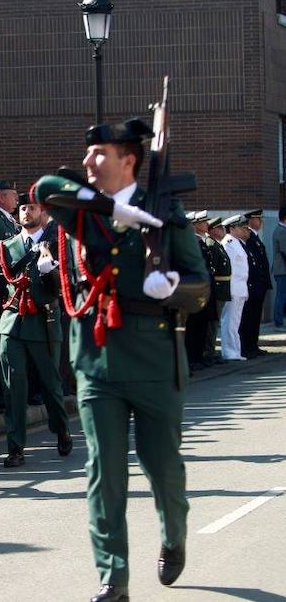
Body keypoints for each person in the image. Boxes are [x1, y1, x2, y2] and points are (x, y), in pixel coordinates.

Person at [32, 117, 209, 602]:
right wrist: (113, 208)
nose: (88, 162)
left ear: (128, 160)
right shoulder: (85, 213)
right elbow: (46, 186)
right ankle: (114, 576)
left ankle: (173, 536)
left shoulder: (167, 215)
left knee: (162, 467)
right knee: (103, 472)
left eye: (100, 155)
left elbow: (201, 288)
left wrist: (171, 288)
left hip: (153, 361)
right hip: (97, 363)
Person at [0, 192, 71, 467]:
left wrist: (50, 271)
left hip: (44, 321)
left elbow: (64, 286)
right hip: (12, 322)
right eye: (23, 208)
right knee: (14, 387)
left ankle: (61, 428)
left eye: (32, 208)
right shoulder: (7, 246)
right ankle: (16, 447)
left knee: (50, 383)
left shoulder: (57, 243)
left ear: (43, 212)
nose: (26, 212)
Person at [184, 211, 215, 372]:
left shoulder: (200, 241)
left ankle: (198, 356)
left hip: (203, 288)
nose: (206, 225)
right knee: (192, 326)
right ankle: (191, 358)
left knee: (201, 324)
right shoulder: (191, 242)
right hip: (193, 290)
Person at [240, 210, 272, 357]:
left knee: (255, 316)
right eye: (258, 219)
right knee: (249, 317)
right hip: (253, 285)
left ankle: (253, 345)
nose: (261, 221)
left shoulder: (255, 237)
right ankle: (248, 346)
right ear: (251, 221)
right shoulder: (249, 238)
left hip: (260, 284)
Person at [220, 214, 251, 361]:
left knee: (235, 322)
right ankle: (229, 352)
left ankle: (235, 351)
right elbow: (228, 268)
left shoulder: (237, 243)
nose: (243, 229)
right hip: (233, 288)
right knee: (229, 322)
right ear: (231, 228)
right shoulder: (229, 243)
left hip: (240, 288)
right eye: (240, 227)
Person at [204, 217, 231, 363]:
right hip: (217, 288)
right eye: (219, 228)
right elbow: (212, 270)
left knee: (215, 322)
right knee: (212, 322)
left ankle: (211, 349)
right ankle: (208, 351)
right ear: (212, 230)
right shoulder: (211, 244)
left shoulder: (217, 245)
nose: (223, 230)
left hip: (222, 288)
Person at [273, 205, 286, 329]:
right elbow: (284, 251)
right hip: (282, 269)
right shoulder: (282, 231)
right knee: (281, 295)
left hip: (281, 268)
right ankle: (278, 320)